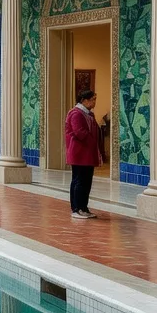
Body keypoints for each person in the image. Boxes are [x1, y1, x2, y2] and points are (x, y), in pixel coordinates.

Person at [64, 89, 103, 219]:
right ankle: (77, 208)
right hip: (79, 153)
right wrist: (92, 141)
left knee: (87, 181)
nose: (94, 102)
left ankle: (84, 207)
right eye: (93, 99)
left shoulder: (89, 114)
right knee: (79, 181)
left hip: (88, 153)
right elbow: (79, 132)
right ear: (84, 100)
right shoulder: (76, 114)